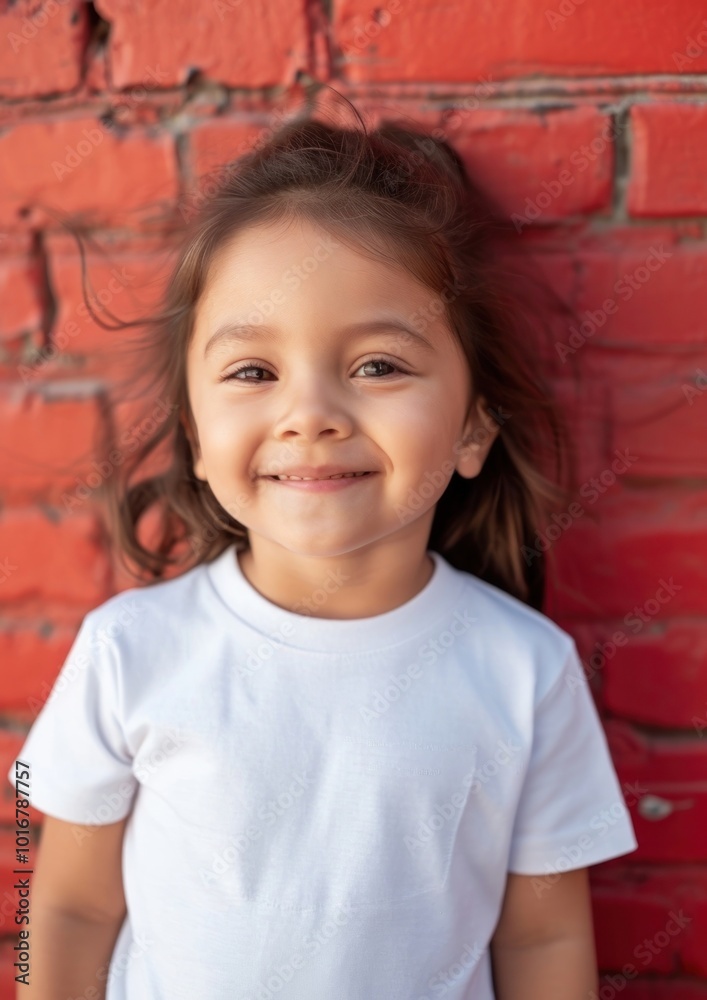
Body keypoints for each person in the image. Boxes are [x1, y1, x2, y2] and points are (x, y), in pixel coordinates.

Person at [7, 91, 637, 1000]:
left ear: (472, 430)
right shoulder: (127, 652)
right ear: (194, 430)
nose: (309, 416)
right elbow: (61, 914)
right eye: (253, 371)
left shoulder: (524, 674)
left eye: (377, 366)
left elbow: (540, 945)